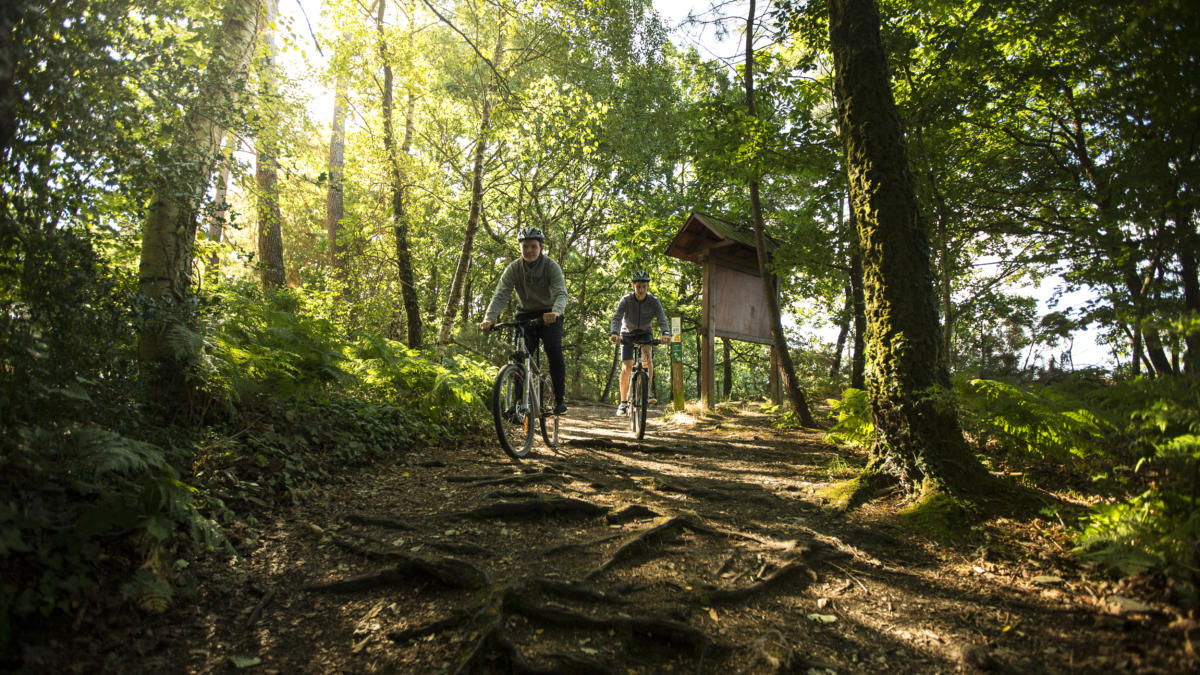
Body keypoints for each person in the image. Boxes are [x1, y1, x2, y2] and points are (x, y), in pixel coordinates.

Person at [479, 227, 569, 414]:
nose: (529, 250)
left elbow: (561, 292)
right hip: (525, 315)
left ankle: (560, 398)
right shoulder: (514, 268)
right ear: (520, 247)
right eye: (525, 246)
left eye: (533, 246)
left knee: (554, 351)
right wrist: (489, 318)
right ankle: (518, 404)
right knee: (519, 356)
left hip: (549, 314)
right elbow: (501, 294)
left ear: (541, 247)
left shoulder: (551, 266)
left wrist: (556, 311)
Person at [609, 270, 670, 415]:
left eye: (644, 286)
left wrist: (666, 334)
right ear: (633, 286)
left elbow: (662, 318)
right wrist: (614, 333)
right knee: (627, 367)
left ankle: (646, 392)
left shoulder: (654, 301)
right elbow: (617, 317)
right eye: (638, 287)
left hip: (645, 333)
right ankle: (623, 403)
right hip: (627, 333)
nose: (641, 290)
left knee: (648, 358)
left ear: (648, 286)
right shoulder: (626, 300)